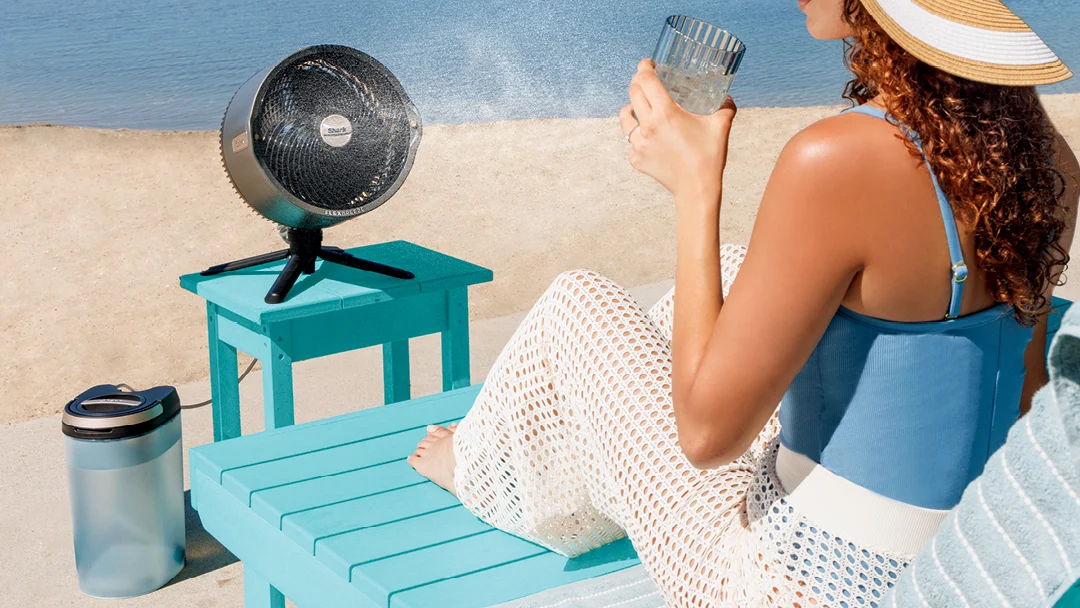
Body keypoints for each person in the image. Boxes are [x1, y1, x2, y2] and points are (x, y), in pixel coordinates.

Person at [409, 0, 1079, 605]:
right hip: (956, 559)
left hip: (794, 585)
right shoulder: (1045, 157)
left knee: (579, 304)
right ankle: (569, 464)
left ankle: (475, 467)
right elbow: (1022, 386)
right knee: (738, 272)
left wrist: (697, 185)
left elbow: (706, 441)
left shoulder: (835, 159)